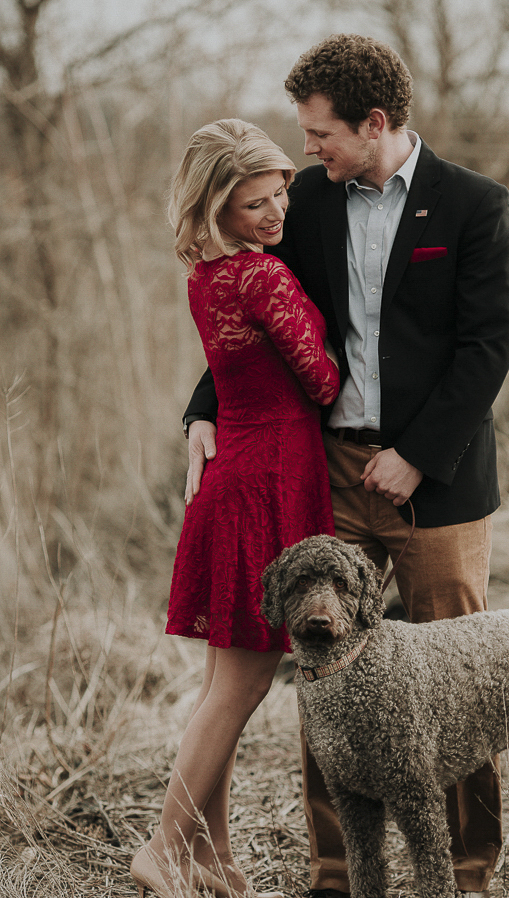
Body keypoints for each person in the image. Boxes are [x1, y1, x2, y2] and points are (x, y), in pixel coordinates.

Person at [183, 34, 509, 898]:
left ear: (374, 123)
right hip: (326, 473)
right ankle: (338, 874)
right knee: (328, 681)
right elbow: (257, 320)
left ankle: (471, 873)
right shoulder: (305, 203)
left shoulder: (474, 205)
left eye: (320, 133)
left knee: (462, 685)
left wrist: (416, 456)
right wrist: (202, 410)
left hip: (437, 482)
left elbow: (487, 350)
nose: (307, 151)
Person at [130, 119, 340, 898]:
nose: (277, 211)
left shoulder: (208, 277)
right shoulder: (264, 279)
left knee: (223, 683)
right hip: (268, 482)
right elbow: (320, 382)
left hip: (233, 480)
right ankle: (161, 846)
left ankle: (212, 856)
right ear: (217, 207)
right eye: (255, 203)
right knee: (243, 686)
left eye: (279, 191)